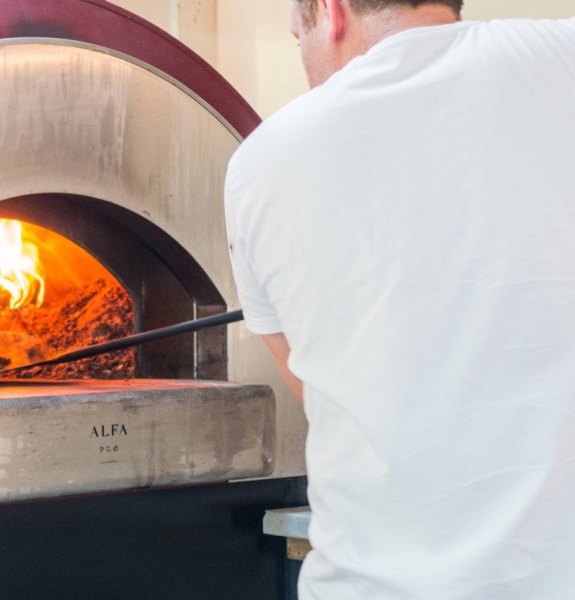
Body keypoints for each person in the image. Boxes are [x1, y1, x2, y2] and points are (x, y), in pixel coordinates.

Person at [224, 1, 575, 598]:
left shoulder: (259, 162)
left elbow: (313, 385)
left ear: (330, 12)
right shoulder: (560, 59)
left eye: (296, 39)